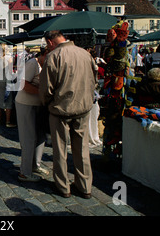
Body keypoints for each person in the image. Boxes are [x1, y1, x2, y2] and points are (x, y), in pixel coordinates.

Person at [39, 30, 97, 199]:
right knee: (82, 149)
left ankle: (63, 186)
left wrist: (47, 102)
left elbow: (45, 88)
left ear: (50, 42)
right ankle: (85, 186)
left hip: (61, 109)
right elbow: (94, 79)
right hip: (83, 107)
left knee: (60, 150)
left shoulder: (54, 56)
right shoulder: (85, 54)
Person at [15, 47, 49, 182]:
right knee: (28, 138)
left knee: (41, 136)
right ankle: (24, 172)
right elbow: (24, 85)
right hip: (25, 104)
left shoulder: (44, 66)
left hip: (39, 105)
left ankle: (36, 165)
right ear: (44, 54)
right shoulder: (32, 64)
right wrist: (43, 93)